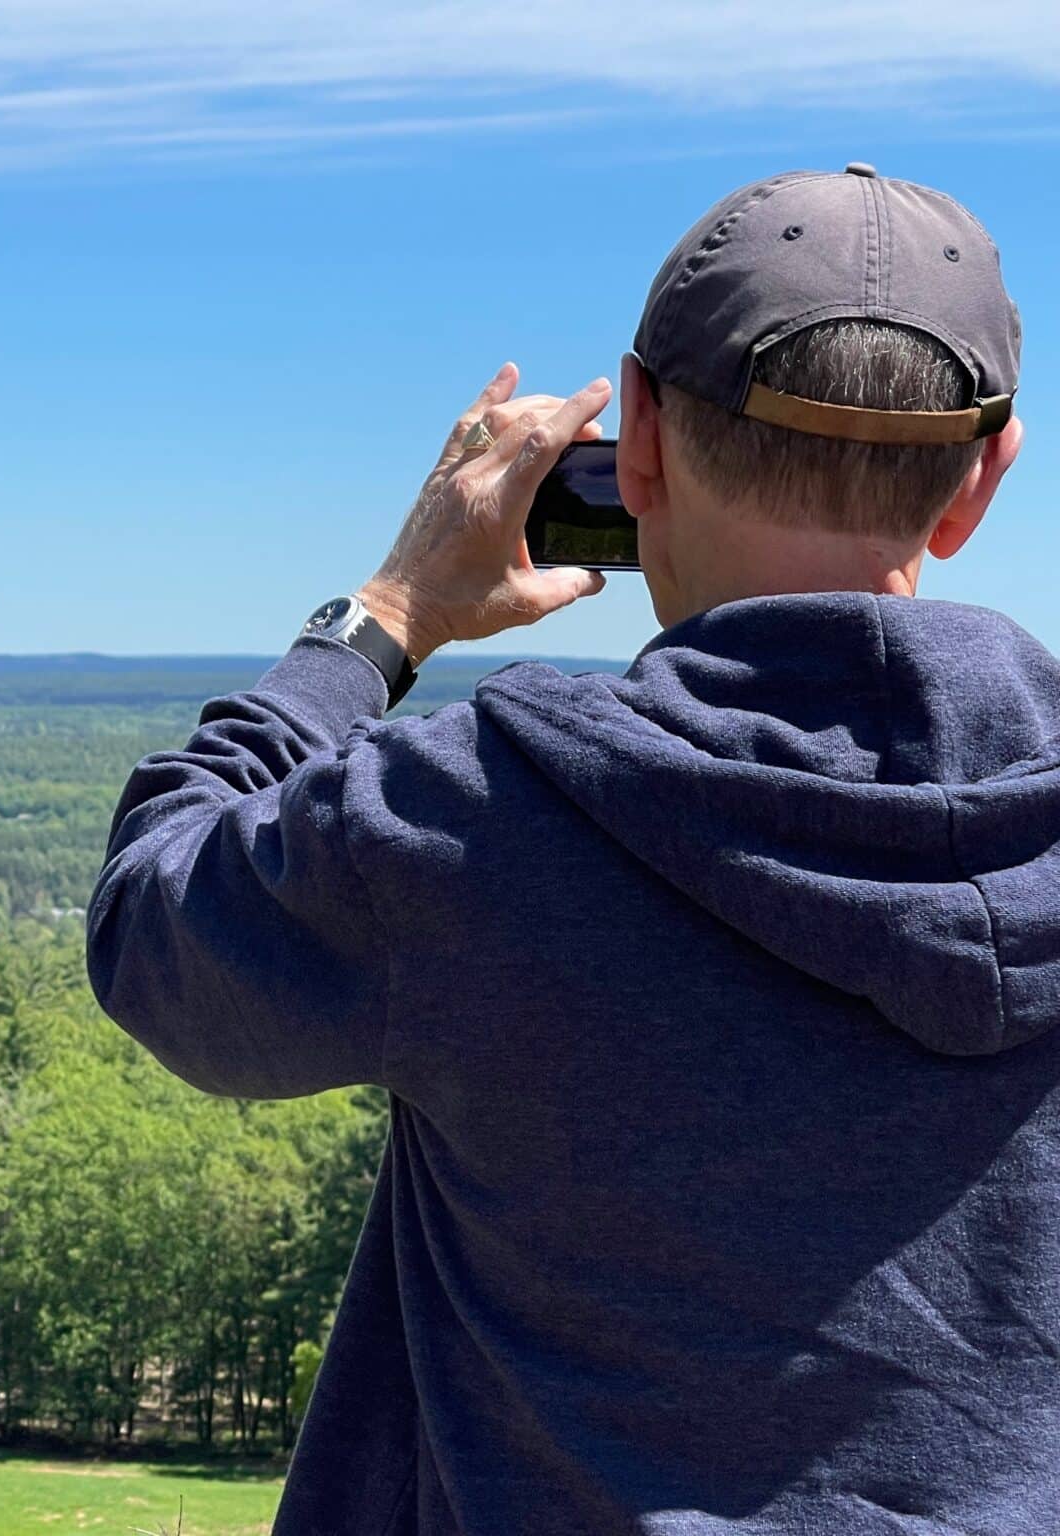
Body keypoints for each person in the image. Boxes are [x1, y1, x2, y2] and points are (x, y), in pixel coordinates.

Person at [88, 164, 1059, 1534]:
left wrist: (385, 616)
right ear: (983, 479)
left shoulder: (483, 816)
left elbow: (152, 932)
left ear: (640, 438)